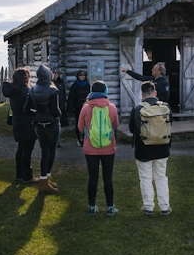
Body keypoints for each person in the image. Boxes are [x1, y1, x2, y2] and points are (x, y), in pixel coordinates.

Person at [129, 81, 172, 215]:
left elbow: (132, 128)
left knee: (145, 177)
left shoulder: (137, 109)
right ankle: (165, 206)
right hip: (162, 147)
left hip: (143, 148)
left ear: (142, 94)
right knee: (161, 177)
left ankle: (148, 206)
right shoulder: (166, 107)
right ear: (155, 93)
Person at [78, 81, 120, 216]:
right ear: (105, 91)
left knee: (93, 177)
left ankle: (91, 207)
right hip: (108, 147)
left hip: (90, 148)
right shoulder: (111, 107)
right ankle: (110, 208)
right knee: (108, 178)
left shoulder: (85, 108)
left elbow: (80, 128)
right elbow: (116, 125)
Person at [25, 65, 61, 194]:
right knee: (51, 152)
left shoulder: (33, 90)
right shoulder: (53, 90)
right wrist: (59, 114)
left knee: (44, 151)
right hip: (52, 124)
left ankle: (45, 179)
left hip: (39, 124)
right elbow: (55, 110)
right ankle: (45, 180)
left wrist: (36, 114)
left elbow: (26, 109)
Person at [2, 68, 38, 184]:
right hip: (27, 121)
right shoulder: (25, 91)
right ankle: (27, 176)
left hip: (17, 121)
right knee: (27, 150)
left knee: (21, 148)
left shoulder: (13, 90)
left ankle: (19, 174)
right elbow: (31, 106)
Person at [66, 70, 90, 146]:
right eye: (80, 75)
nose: (82, 77)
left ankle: (85, 138)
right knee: (78, 123)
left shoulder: (88, 85)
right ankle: (79, 139)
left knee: (86, 123)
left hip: (86, 107)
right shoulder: (74, 86)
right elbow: (71, 98)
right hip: (77, 108)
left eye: (83, 75)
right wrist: (70, 109)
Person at [52, 67, 68, 147]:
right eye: (54, 73)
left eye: (57, 73)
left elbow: (63, 94)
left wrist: (63, 104)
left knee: (58, 125)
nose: (56, 74)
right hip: (51, 107)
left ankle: (57, 141)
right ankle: (52, 141)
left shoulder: (61, 82)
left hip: (60, 106)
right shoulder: (49, 82)